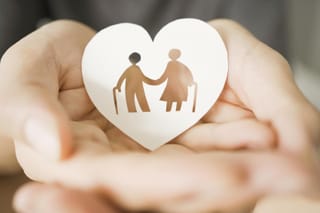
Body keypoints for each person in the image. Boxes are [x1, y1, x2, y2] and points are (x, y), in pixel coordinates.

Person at [0, 1, 319, 213]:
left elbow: (171, 80)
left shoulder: (175, 65)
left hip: (233, 104)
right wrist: (29, 128)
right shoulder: (129, 70)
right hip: (104, 95)